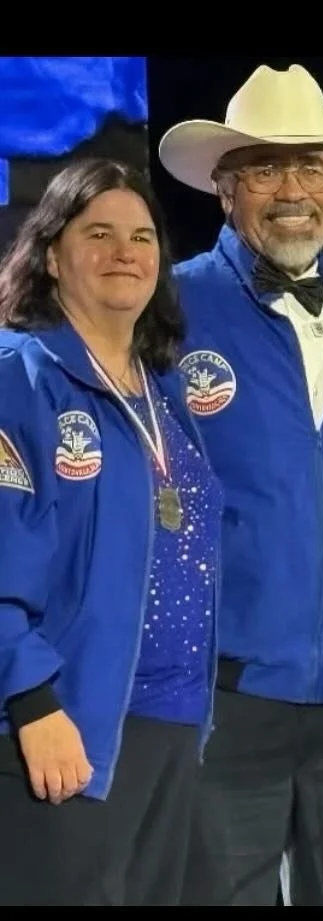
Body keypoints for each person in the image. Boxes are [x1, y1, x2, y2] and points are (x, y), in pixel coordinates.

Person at [156, 64, 323, 906]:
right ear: (224, 187)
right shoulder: (169, 306)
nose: (293, 190)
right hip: (225, 695)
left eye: (312, 167)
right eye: (266, 168)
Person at [0, 158, 222, 905]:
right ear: (51, 255)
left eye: (142, 236)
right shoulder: (17, 379)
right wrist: (31, 702)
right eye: (98, 233)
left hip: (171, 730)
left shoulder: (164, 392)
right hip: (67, 729)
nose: (125, 251)